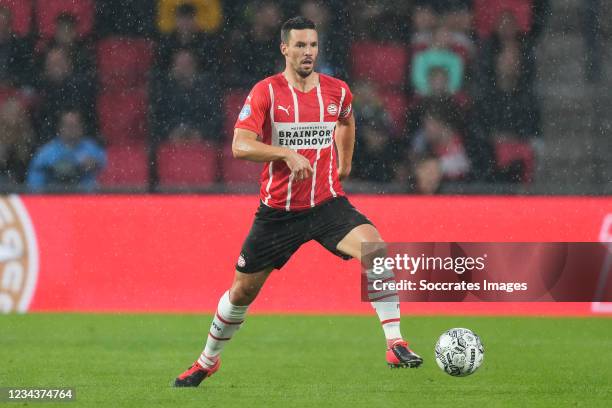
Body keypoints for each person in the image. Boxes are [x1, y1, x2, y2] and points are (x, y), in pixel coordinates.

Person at [174, 16, 423, 388]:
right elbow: (239, 145)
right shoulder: (266, 92)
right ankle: (207, 361)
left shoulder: (337, 91)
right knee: (241, 292)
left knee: (376, 249)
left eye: (313, 45)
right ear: (284, 49)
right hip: (278, 214)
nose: (309, 52)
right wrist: (284, 154)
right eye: (301, 46)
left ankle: (395, 342)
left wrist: (346, 161)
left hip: (326, 205)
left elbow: (346, 121)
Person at [27, 109, 106, 192]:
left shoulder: (93, 149)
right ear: (59, 128)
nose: (71, 129)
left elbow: (108, 175)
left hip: (87, 199)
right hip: (54, 199)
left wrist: (96, 164)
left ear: (82, 127)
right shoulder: (46, 153)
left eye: (75, 125)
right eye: (68, 125)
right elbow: (34, 183)